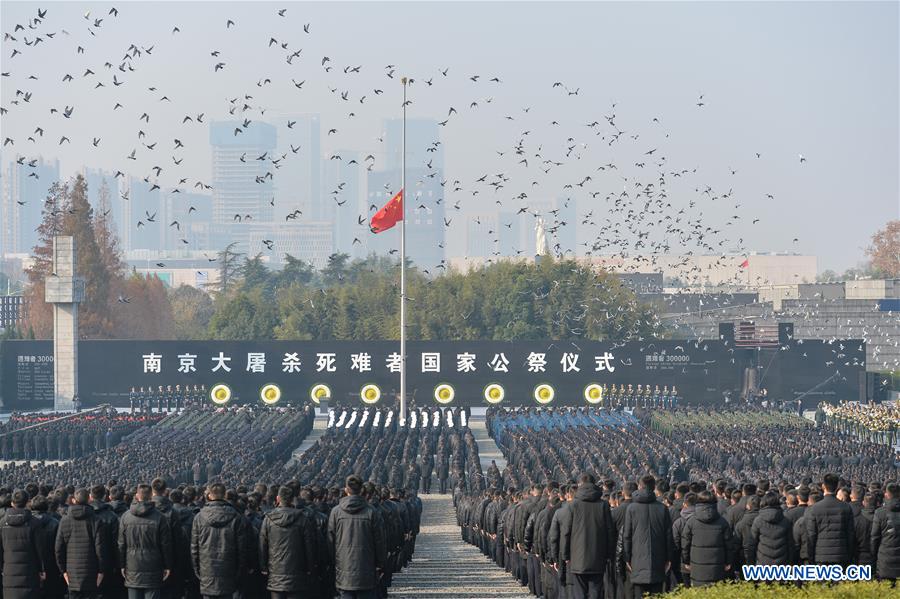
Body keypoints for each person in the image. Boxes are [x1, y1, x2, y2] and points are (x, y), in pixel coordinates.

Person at [327, 475, 386, 599]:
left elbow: (330, 541)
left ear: (346, 489)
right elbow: (379, 541)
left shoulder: (336, 512)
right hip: (367, 568)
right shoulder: (372, 512)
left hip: (344, 568)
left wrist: (334, 563)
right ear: (361, 490)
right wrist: (380, 564)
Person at [558, 474, 615, 599]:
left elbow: (566, 531)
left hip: (577, 556)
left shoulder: (573, 505)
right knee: (596, 591)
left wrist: (565, 555)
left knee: (579, 592)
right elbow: (610, 532)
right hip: (598, 555)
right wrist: (609, 554)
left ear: (580, 484)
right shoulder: (603, 505)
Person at [191, 482, 249, 599]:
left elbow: (194, 547)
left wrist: (197, 570)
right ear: (224, 495)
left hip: (207, 568)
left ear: (209, 495)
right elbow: (242, 548)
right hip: (228, 569)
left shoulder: (199, 517)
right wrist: (239, 571)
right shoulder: (236, 516)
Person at [259, 486, 318, 599]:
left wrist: (263, 566)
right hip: (297, 573)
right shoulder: (302, 518)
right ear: (292, 500)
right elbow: (309, 546)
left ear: (278, 498)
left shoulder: (268, 519)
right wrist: (310, 567)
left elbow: (263, 544)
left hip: (275, 573)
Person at [118, 484, 174, 599]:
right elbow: (166, 545)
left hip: (132, 565)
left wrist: (122, 564)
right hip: (154, 566)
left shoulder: (125, 517)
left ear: (137, 496)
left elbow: (121, 544)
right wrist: (167, 565)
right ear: (151, 496)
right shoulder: (160, 517)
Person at [622, 475, 673, 598]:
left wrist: (627, 558)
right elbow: (668, 536)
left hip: (637, 559)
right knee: (657, 594)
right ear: (654, 487)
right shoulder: (663, 508)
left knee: (639, 594)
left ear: (640, 487)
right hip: (658, 559)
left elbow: (627, 536)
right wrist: (669, 558)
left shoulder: (631, 508)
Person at [55, 489, 106, 599]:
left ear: (74, 500)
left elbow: (58, 548)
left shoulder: (64, 520)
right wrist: (101, 570)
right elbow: (100, 549)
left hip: (71, 572)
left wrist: (63, 571)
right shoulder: (96, 520)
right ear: (89, 499)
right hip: (91, 572)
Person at [681, 491, 734, 587]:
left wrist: (686, 561)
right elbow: (729, 545)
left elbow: (685, 544)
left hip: (697, 568)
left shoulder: (691, 522)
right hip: (717, 567)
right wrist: (728, 561)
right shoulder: (723, 522)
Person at [0, 489, 44, 599]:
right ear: (28, 502)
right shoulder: (34, 523)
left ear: (12, 503)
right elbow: (39, 549)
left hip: (9, 572)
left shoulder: (2, 523)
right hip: (30, 572)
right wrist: (41, 569)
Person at [805, 473, 855, 566]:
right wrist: (850, 556)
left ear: (823, 486)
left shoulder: (815, 508)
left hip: (821, 556)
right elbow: (850, 534)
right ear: (837, 487)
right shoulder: (846, 507)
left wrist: (811, 559)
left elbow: (811, 535)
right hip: (841, 555)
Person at [749, 491, 795, 566]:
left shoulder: (758, 521)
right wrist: (790, 562)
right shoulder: (786, 521)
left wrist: (751, 562)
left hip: (762, 562)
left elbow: (752, 543)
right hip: (782, 562)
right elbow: (790, 544)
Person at [872, 482, 900, 580]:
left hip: (885, 561)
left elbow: (874, 538)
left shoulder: (880, 513)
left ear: (886, 495)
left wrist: (874, 556)